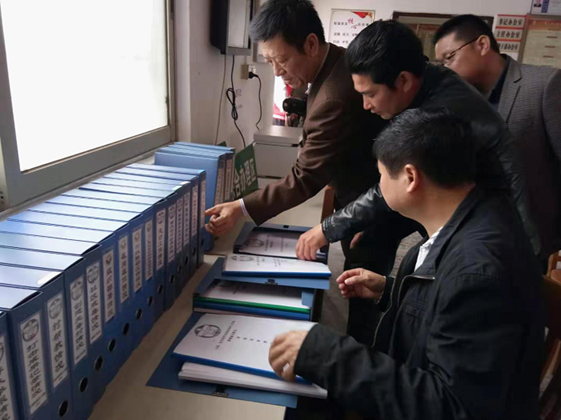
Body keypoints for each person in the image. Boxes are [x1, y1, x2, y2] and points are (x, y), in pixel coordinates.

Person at [269, 109, 544, 420]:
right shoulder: (478, 214)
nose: (379, 186)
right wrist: (392, 290)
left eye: (382, 175)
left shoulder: (477, 272)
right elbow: (454, 310)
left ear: (411, 178)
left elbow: (452, 407)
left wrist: (328, 354)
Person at [205, 1, 406, 343]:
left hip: (371, 210)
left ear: (311, 44)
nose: (277, 71)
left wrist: (240, 208)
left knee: (362, 293)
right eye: (270, 61)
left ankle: (359, 355)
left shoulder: (335, 93)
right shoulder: (335, 64)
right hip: (362, 196)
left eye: (281, 60)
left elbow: (305, 176)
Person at [296, 20, 539, 269]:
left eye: (370, 94)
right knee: (371, 242)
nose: (366, 105)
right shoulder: (428, 80)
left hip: (499, 232)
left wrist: (328, 228)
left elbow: (395, 181)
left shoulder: (439, 114)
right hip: (467, 212)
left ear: (403, 80)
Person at [433, 14, 561, 260]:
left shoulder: (544, 85)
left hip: (533, 238)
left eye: (450, 57)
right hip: (476, 235)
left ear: (482, 44)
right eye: (441, 63)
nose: (446, 69)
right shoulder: (458, 100)